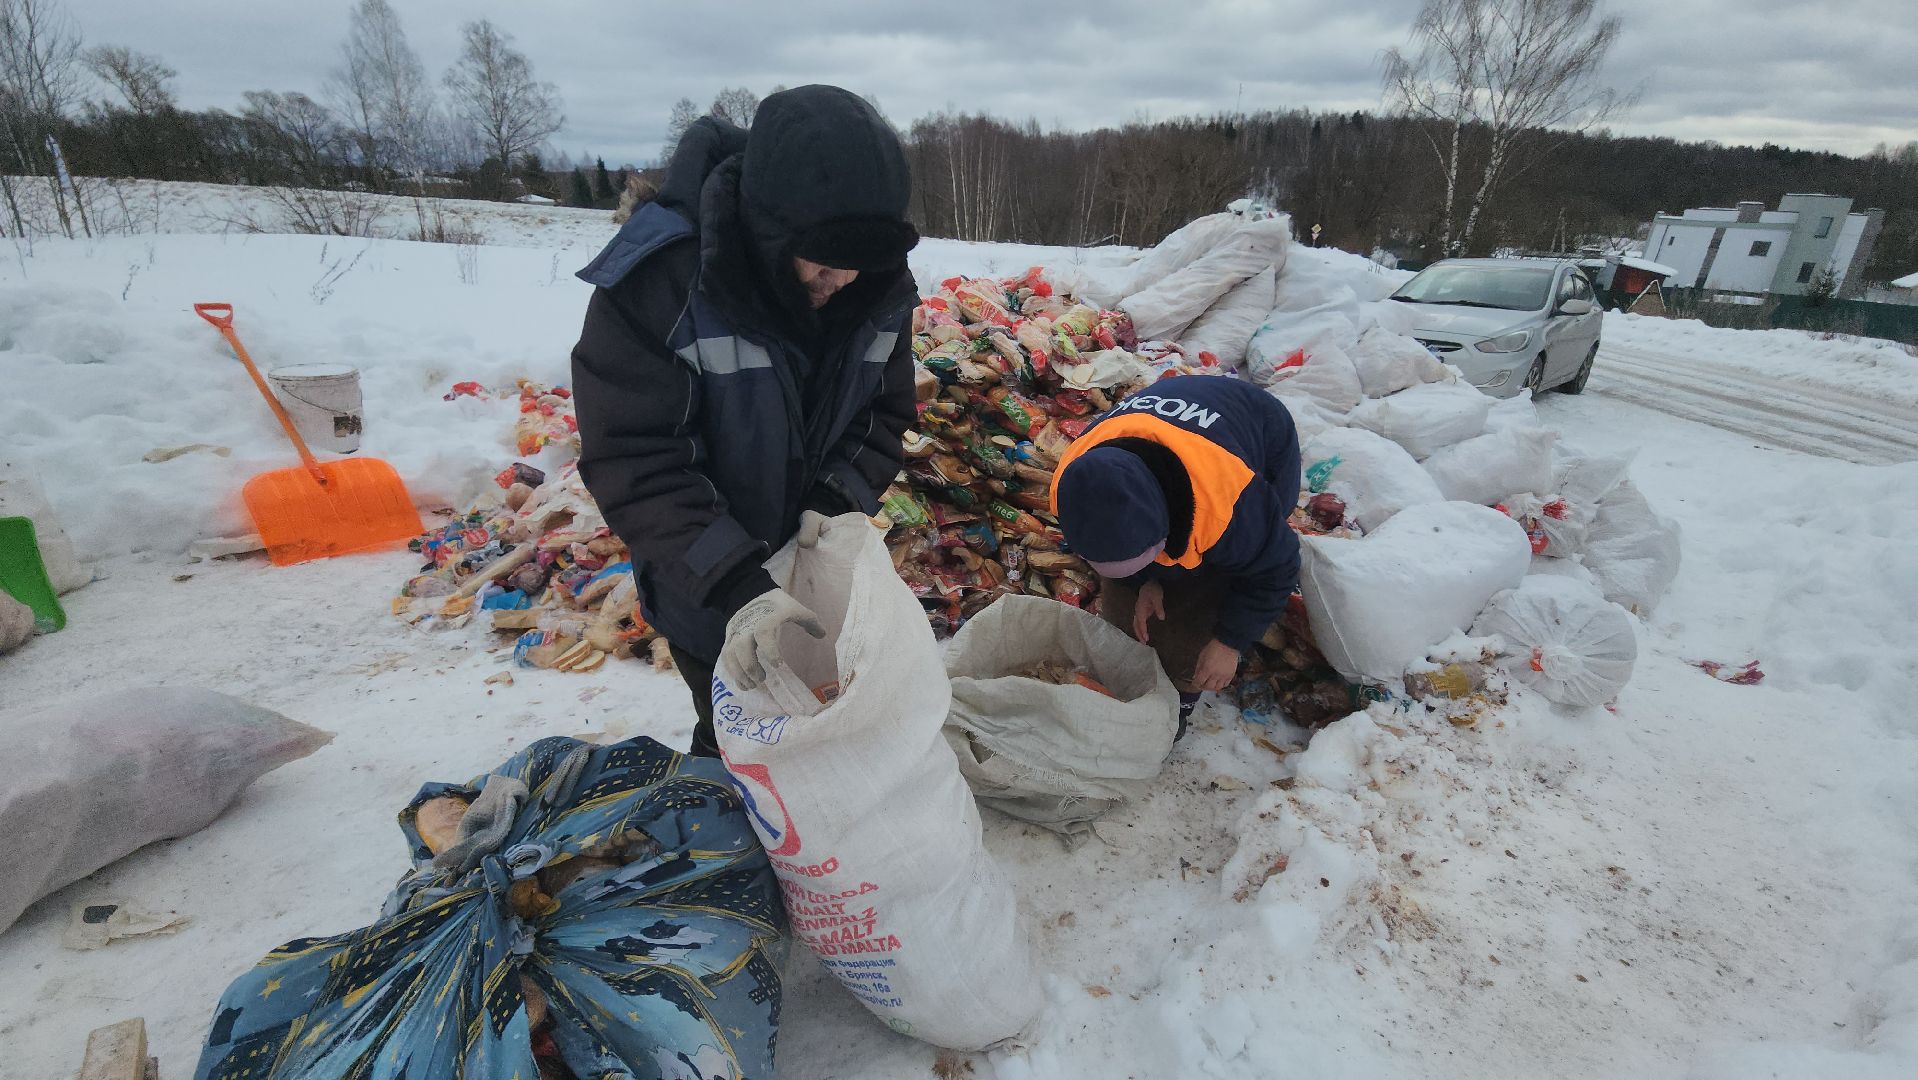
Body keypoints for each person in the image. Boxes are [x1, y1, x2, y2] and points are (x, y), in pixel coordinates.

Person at [569, 85, 920, 756]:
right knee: (740, 735)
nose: (842, 278)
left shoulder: (877, 284)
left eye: (860, 259)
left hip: (811, 568)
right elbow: (636, 457)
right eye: (823, 255)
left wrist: (835, 498)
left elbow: (883, 413)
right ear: (770, 228)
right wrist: (734, 587)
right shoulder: (663, 283)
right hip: (703, 583)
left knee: (829, 744)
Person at [1050, 375, 1302, 735]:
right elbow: (1118, 548)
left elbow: (1278, 566)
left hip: (1259, 427)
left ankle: (1176, 707)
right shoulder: (1071, 485)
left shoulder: (1228, 503)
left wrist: (1230, 642)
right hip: (1166, 430)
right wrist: (1144, 582)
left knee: (1213, 584)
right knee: (1129, 604)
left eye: (1146, 556)